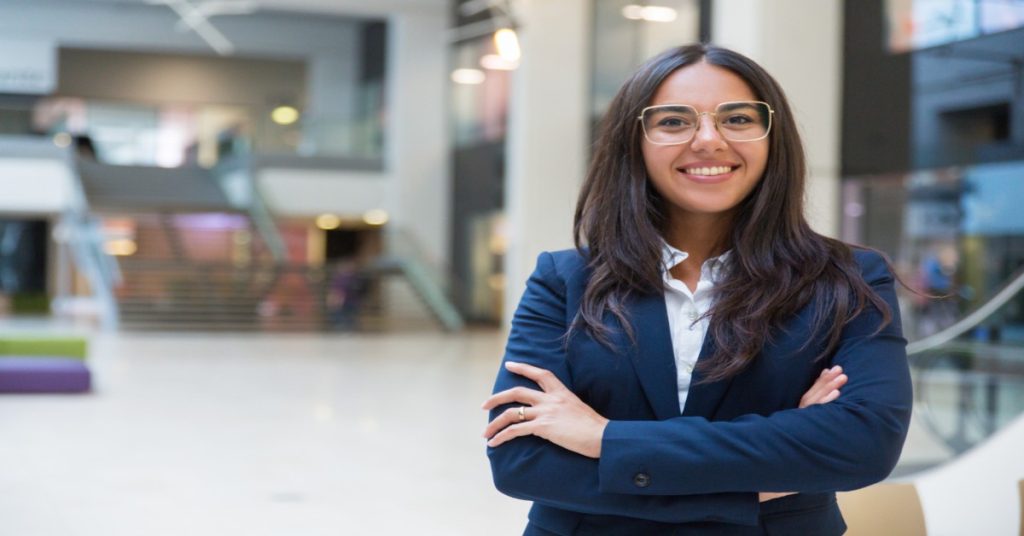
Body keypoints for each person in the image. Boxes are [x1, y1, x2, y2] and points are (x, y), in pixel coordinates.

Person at [481, 44, 912, 535]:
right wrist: (762, 477)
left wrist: (605, 438)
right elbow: (521, 461)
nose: (709, 139)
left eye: (738, 118)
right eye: (673, 122)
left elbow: (865, 442)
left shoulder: (846, 278)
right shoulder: (564, 280)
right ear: (634, 142)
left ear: (774, 138)